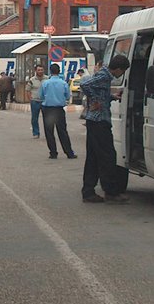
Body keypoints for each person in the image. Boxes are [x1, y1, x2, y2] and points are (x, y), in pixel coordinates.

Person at [79, 54, 131, 204]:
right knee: (108, 156)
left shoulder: (104, 75)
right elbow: (85, 84)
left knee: (94, 157)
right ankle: (111, 191)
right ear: (119, 69)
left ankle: (88, 191)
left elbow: (100, 92)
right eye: (123, 71)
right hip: (99, 121)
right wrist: (94, 100)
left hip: (95, 121)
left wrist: (111, 96)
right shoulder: (105, 75)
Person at [39, 63, 75, 160]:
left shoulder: (45, 83)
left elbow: (41, 96)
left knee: (49, 132)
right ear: (59, 71)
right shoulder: (63, 83)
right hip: (59, 110)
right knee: (62, 131)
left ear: (50, 71)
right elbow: (67, 96)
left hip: (48, 110)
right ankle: (69, 153)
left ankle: (53, 153)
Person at [25, 66, 45, 139]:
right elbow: (28, 90)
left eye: (42, 70)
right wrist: (30, 99)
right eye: (39, 70)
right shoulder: (32, 80)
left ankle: (48, 133)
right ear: (36, 71)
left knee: (47, 119)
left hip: (44, 102)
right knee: (34, 118)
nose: (40, 71)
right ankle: (36, 133)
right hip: (35, 101)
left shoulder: (47, 79)